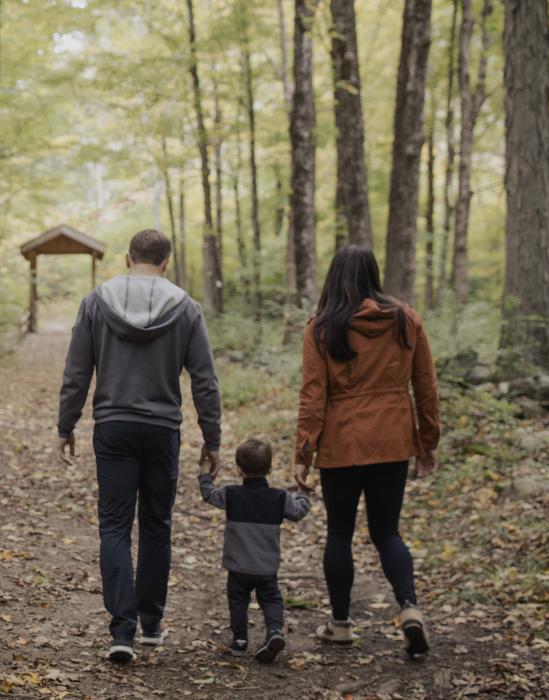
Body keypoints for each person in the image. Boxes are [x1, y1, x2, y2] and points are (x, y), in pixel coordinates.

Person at [57, 228, 222, 663]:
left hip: (113, 427)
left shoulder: (96, 303)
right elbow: (204, 380)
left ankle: (121, 632)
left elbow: (77, 371)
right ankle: (151, 624)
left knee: (114, 527)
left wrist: (66, 424)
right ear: (166, 262)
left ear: (128, 259)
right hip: (162, 429)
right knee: (156, 525)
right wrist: (213, 438)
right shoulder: (185, 308)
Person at [294, 245, 440, 660]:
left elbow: (312, 395)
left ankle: (340, 624)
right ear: (374, 273)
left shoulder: (322, 327)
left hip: (342, 442)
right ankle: (409, 607)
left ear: (333, 276)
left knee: (340, 532)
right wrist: (427, 441)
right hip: (393, 440)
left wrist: (303, 451)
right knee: (387, 532)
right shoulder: (405, 319)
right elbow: (426, 386)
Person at [199, 438, 311, 663]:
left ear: (239, 469)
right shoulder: (280, 498)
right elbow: (298, 512)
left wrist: (205, 473)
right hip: (266, 568)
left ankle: (240, 641)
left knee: (238, 601)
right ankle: (274, 632)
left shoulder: (231, 494)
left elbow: (209, 494)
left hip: (238, 567)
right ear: (269, 469)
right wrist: (303, 490)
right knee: (271, 600)